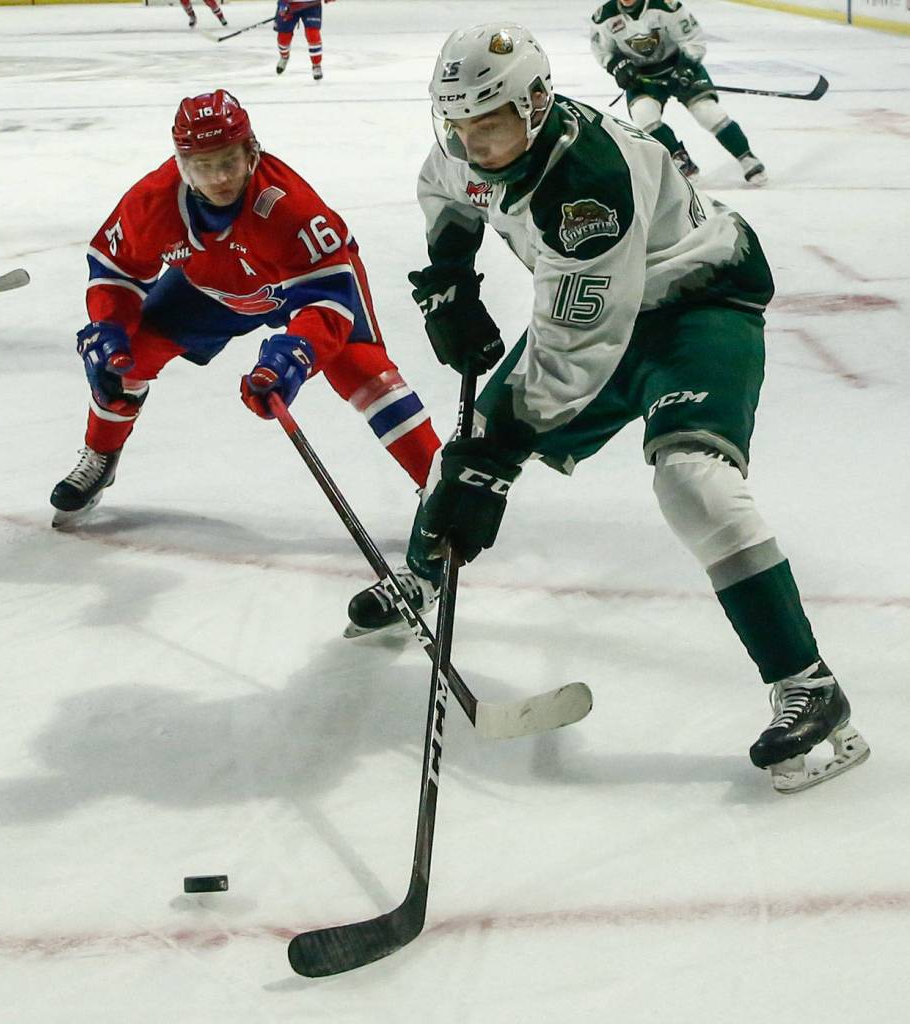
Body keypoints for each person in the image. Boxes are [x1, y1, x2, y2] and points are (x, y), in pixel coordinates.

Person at [346, 23, 868, 791]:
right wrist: (449, 276)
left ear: (534, 103)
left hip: (695, 303)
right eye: (455, 124)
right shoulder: (466, 145)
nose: (470, 142)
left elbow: (574, 351)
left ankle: (808, 684)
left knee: (691, 480)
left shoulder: (585, 182)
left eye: (486, 124)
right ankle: (423, 575)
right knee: (474, 439)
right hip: (596, 310)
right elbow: (445, 188)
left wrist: (491, 465)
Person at [50, 89, 440, 528]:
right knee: (125, 359)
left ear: (251, 152)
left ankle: (442, 487)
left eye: (229, 162)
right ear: (182, 165)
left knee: (364, 370)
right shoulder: (154, 200)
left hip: (305, 287)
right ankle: (100, 454)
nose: (219, 178)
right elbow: (115, 270)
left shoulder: (288, 204)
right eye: (204, 166)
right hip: (212, 286)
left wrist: (297, 355)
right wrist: (109, 326)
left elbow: (327, 300)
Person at [590, 0, 766, 184]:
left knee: (708, 112)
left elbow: (692, 40)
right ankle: (681, 161)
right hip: (642, 77)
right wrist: (618, 67)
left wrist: (685, 68)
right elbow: (602, 52)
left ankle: (746, 157)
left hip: (679, 65)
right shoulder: (604, 17)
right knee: (644, 115)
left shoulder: (666, 6)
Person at [275, 0, 336, 80]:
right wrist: (282, 3)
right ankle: (284, 56)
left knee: (313, 34)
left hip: (312, 5)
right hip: (289, 5)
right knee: (283, 38)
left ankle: (316, 65)